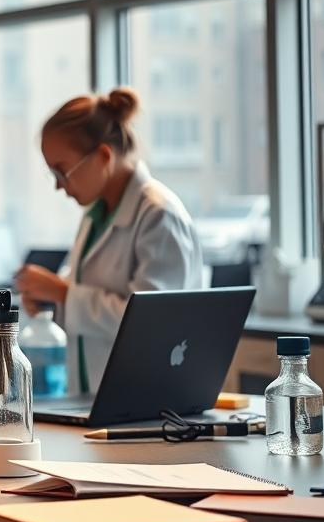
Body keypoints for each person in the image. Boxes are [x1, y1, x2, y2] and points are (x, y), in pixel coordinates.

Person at [14, 87, 204, 395]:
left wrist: (63, 294)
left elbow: (154, 325)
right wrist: (50, 300)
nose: (59, 187)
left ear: (103, 156)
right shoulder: (96, 215)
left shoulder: (160, 215)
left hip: (150, 400)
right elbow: (86, 293)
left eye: (62, 172)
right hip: (94, 395)